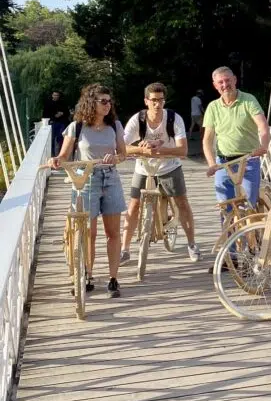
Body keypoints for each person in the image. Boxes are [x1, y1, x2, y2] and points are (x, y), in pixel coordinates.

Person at [48, 83, 126, 298]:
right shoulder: (77, 127)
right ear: (91, 103)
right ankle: (87, 276)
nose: (108, 105)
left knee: (113, 232)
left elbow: (123, 154)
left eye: (109, 101)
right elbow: (64, 155)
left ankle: (113, 279)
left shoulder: (115, 126)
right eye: (103, 101)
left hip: (110, 178)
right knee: (88, 233)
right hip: (85, 179)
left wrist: (115, 158)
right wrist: (56, 160)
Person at [119, 82, 201, 266]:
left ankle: (192, 244)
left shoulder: (173, 118)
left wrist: (159, 148)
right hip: (143, 167)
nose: (157, 104)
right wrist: (141, 149)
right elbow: (122, 147)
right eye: (153, 100)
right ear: (146, 101)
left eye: (161, 100)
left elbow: (183, 150)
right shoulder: (138, 120)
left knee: (182, 202)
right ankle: (125, 249)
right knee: (134, 205)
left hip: (169, 166)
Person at [202, 67, 270, 268]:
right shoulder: (213, 107)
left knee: (248, 207)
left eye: (227, 80)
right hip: (224, 162)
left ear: (234, 80)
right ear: (215, 86)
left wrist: (264, 145)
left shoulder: (248, 100)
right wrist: (211, 164)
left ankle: (251, 253)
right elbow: (207, 139)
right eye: (220, 82)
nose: (225, 85)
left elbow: (263, 126)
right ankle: (230, 256)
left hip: (248, 160)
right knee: (226, 209)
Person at [42, 90, 70, 157]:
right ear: (52, 95)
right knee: (52, 139)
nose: (56, 96)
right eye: (54, 95)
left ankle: (60, 154)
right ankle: (52, 154)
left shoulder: (62, 103)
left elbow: (67, 113)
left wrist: (62, 113)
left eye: (57, 95)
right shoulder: (48, 103)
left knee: (61, 138)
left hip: (61, 123)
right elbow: (45, 114)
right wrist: (54, 116)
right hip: (52, 122)